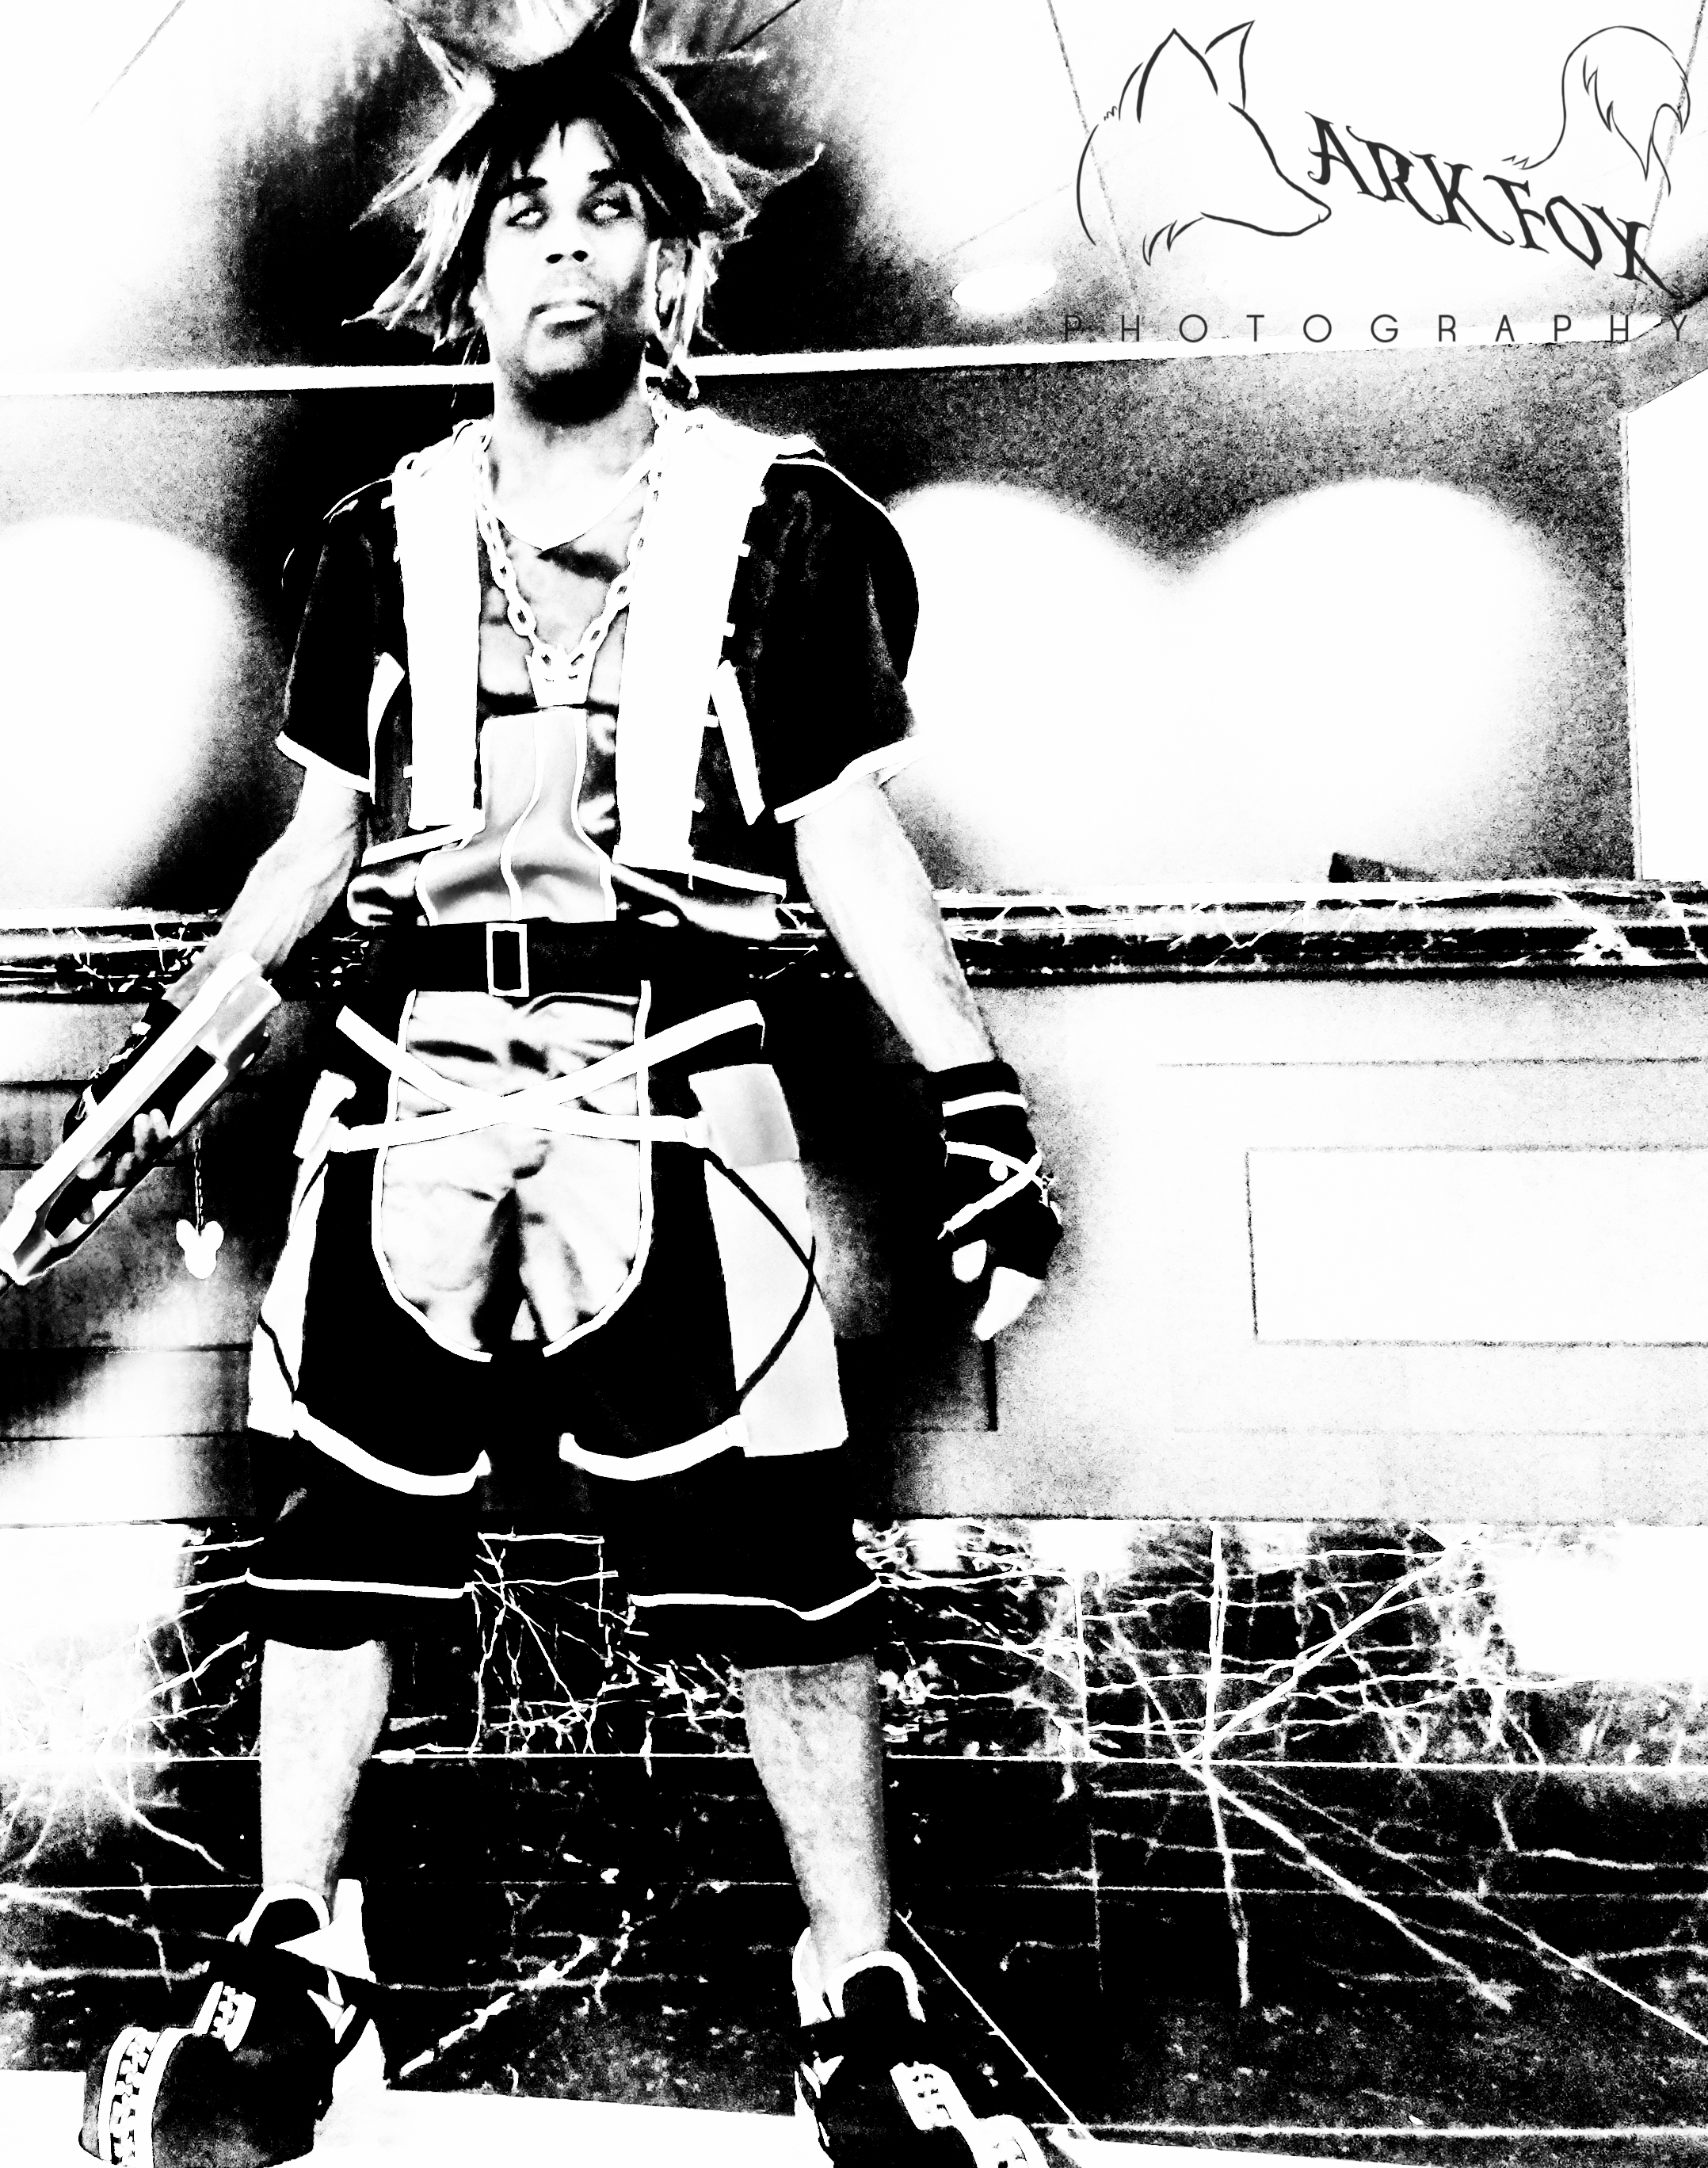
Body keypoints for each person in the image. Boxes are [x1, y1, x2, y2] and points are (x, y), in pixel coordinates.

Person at [75, 10, 1062, 2164]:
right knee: (337, 1549)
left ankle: (857, 1995)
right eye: (523, 209)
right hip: (409, 1082)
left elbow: (847, 836)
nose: (565, 243)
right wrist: (174, 1054)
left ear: (666, 258)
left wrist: (976, 1100)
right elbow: (317, 849)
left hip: (682, 1078)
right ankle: (293, 1956)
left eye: (610, 207)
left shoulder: (782, 526)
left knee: (785, 1563)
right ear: (467, 257)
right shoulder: (381, 537)